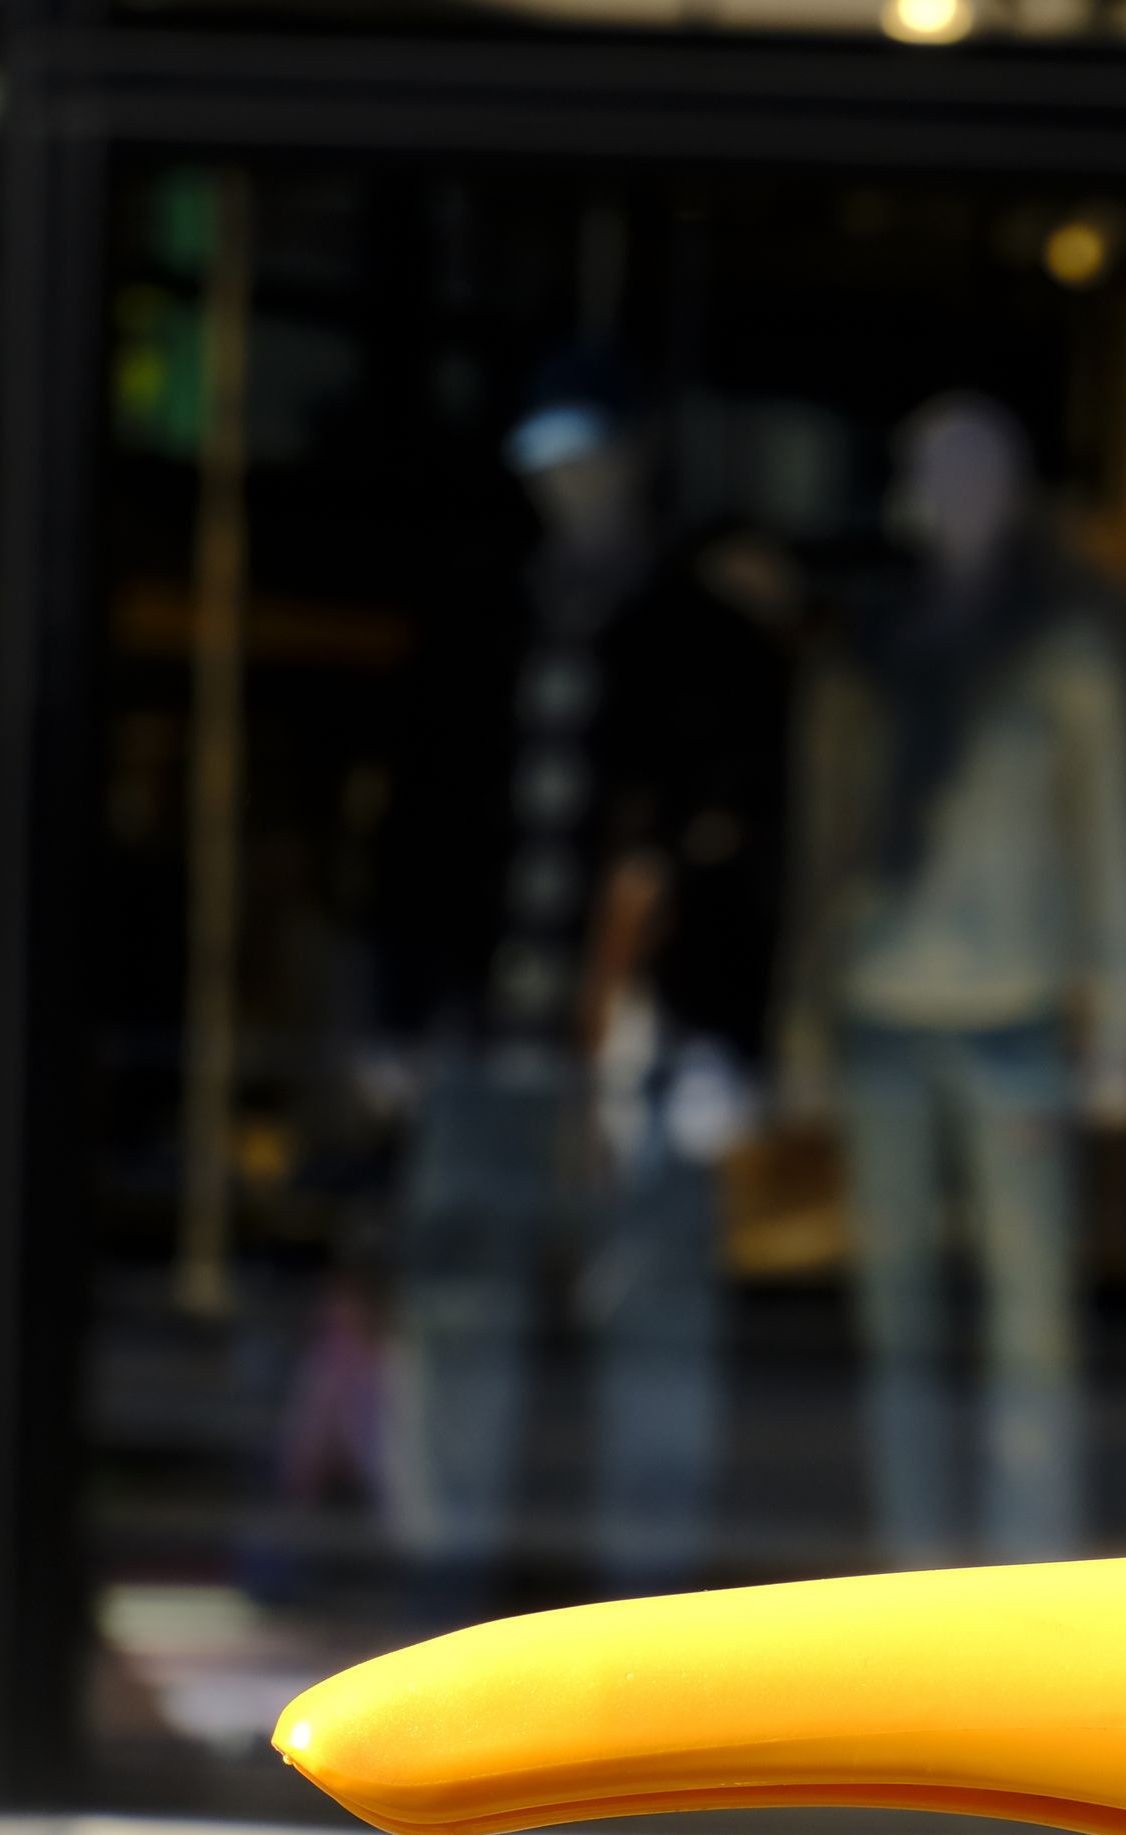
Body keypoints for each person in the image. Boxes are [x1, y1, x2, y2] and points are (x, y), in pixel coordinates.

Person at [372, 350, 789, 1611]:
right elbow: (411, 836)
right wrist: (398, 1013)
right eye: (552, 465)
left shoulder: (713, 640)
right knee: (460, 1321)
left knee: (654, 1329)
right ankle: (444, 1588)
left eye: (594, 459)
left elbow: (752, 859)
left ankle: (646, 1607)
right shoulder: (475, 625)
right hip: (486, 1031)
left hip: (650, 1043)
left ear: (635, 459)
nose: (574, 486)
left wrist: (732, 1038)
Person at [829, 395, 1126, 1562]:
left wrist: (1122, 1027)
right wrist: (796, 1024)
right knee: (897, 1324)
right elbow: (825, 836)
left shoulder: (1064, 649)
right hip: (879, 1011)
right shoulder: (872, 646)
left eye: (980, 472)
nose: (957, 496)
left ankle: (1033, 1574)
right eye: (936, 471)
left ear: (1015, 493)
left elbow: (1109, 844)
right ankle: (910, 1575)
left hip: (1014, 1016)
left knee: (1031, 1328)